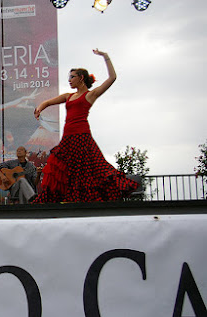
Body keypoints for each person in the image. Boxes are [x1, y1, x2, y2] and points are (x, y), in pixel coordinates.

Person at [32, 49, 139, 203]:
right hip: (68, 139)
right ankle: (63, 199)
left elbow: (112, 77)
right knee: (58, 164)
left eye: (72, 77)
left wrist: (105, 56)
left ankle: (82, 201)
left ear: (81, 78)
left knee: (86, 170)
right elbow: (48, 102)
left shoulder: (89, 95)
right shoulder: (68, 96)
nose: (69, 80)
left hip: (82, 137)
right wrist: (40, 108)